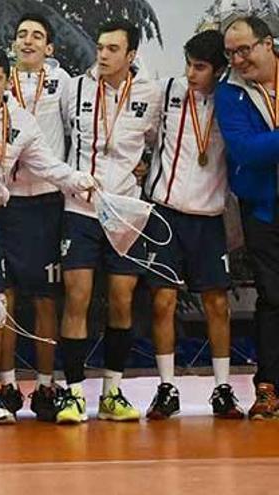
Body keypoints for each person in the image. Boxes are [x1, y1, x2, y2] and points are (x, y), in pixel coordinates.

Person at [0, 47, 95, 424]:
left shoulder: (23, 122)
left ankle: (35, 388)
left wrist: (78, 181)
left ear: (7, 81)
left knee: (14, 302)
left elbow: (48, 165)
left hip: (1, 214)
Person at [56, 19, 161, 424]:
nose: (102, 54)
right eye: (100, 46)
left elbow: (156, 142)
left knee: (121, 299)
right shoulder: (75, 88)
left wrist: (143, 168)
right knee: (77, 295)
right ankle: (74, 394)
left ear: (131, 55)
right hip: (80, 208)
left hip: (124, 211)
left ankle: (113, 392)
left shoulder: (149, 94)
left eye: (113, 49)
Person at [143, 29, 244, 420]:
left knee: (217, 304)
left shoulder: (231, 103)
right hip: (166, 213)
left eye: (199, 67)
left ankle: (222, 389)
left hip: (209, 218)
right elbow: (145, 134)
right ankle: (166, 388)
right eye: (188, 64)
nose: (190, 73)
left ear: (218, 70)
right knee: (162, 301)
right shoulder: (166, 91)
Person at [216, 16, 279, 419]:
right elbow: (247, 152)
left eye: (245, 49)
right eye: (230, 53)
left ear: (268, 43)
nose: (238, 59)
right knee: (273, 299)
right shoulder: (229, 93)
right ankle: (269, 387)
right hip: (264, 209)